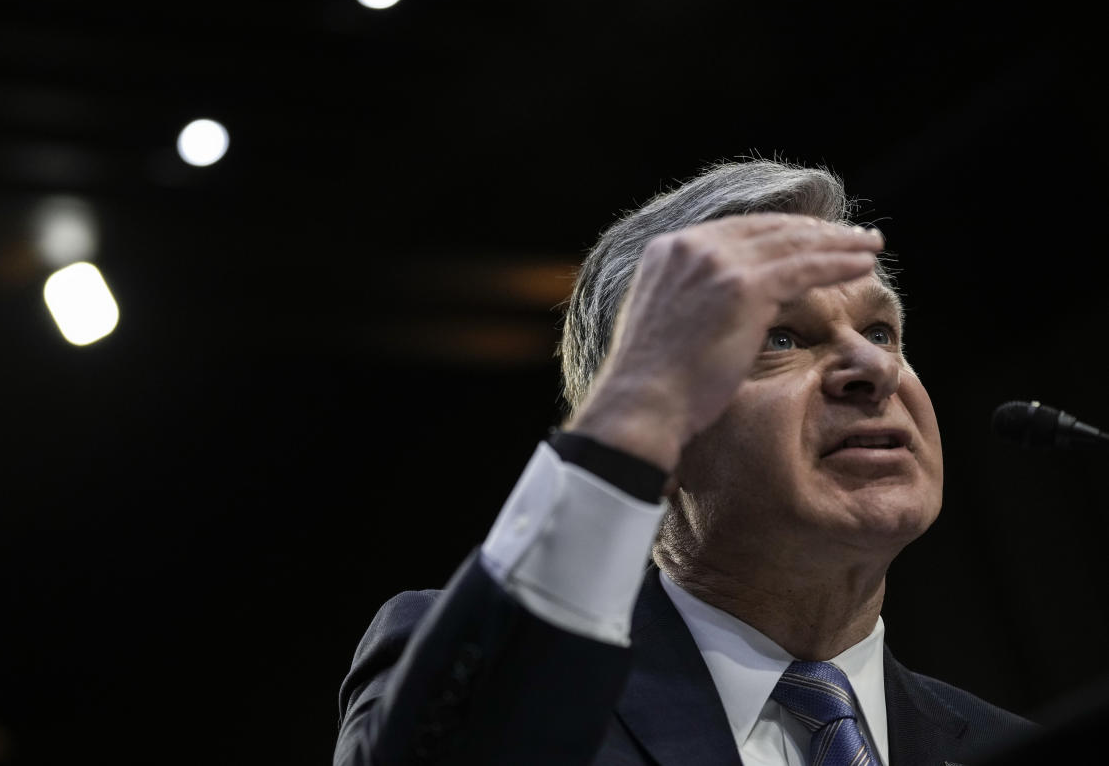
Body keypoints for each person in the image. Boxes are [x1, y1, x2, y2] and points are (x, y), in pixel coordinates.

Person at [334, 159, 1036, 765]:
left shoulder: (1017, 746)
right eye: (782, 337)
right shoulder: (500, 681)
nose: (868, 366)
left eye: (881, 330)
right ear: (655, 421)